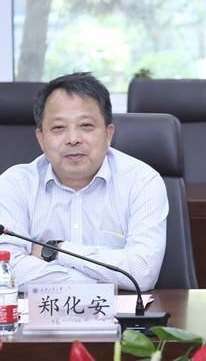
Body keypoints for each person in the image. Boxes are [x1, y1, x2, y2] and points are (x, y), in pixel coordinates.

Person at [0, 72, 167, 290]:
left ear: (108, 134)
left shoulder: (142, 181)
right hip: (40, 311)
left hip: (122, 311)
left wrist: (57, 250)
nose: (73, 139)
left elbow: (142, 272)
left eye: (86, 126)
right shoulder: (14, 184)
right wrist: (96, 282)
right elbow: (6, 271)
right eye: (58, 128)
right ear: (41, 138)